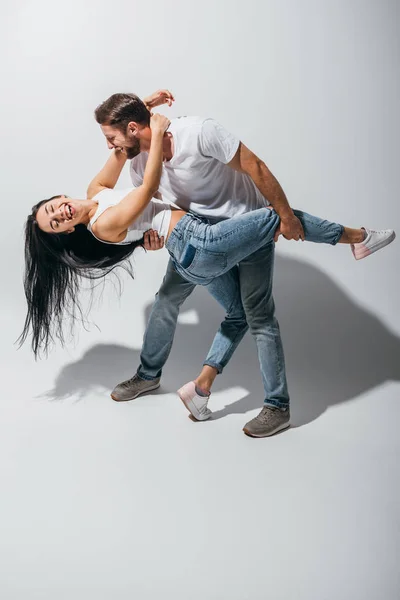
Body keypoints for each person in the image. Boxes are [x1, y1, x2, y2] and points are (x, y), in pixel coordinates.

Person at [21, 112, 395, 436]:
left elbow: (121, 147)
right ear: (66, 233)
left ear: (60, 197)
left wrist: (143, 110)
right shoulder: (102, 226)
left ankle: (201, 388)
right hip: (196, 241)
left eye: (55, 207)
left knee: (239, 313)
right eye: (56, 222)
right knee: (275, 215)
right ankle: (357, 238)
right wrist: (158, 124)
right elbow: (149, 186)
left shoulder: (96, 192)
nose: (61, 213)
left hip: (189, 247)